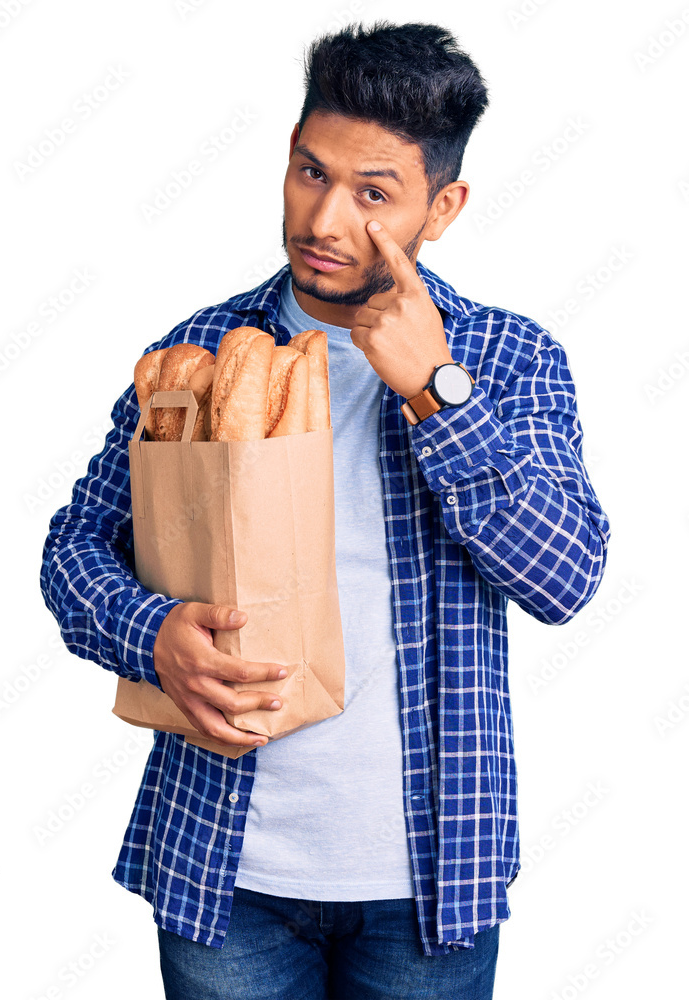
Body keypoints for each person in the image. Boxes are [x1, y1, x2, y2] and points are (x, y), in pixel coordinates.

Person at [40, 20, 610, 1000]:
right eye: (309, 172)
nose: (324, 218)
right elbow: (73, 548)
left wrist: (433, 389)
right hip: (225, 874)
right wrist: (151, 632)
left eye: (372, 193)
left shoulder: (510, 360)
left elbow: (566, 577)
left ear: (444, 206)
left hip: (430, 887)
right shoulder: (202, 348)